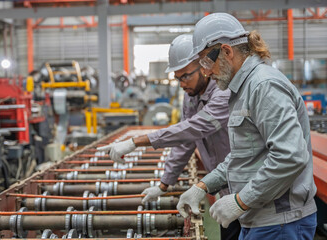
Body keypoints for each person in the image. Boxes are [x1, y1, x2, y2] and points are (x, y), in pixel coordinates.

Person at [177, 12, 317, 240]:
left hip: (280, 223)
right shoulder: (242, 90)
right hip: (260, 219)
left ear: (226, 51)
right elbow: (244, 156)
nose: (206, 71)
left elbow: (290, 157)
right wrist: (202, 186)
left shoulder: (263, 86)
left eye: (205, 61)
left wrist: (241, 201)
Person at [98, 34, 241, 239]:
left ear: (204, 66)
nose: (181, 84)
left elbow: (195, 128)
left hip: (246, 187)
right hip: (225, 187)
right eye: (177, 78)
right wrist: (164, 184)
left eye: (185, 76)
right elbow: (185, 143)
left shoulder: (223, 92)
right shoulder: (191, 96)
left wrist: (136, 142)